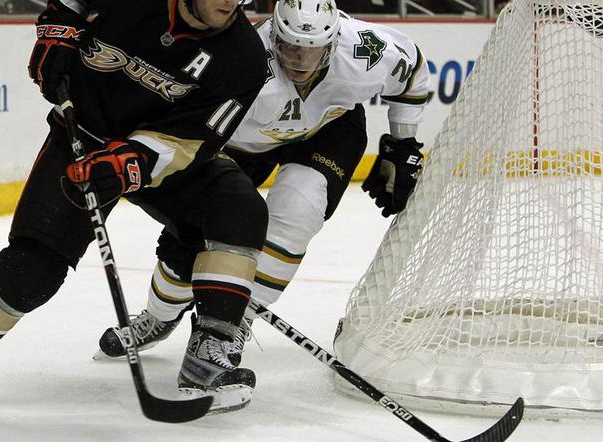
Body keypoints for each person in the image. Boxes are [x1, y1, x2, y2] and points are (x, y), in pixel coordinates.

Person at [0, 0, 269, 413]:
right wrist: (59, 26)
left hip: (158, 157)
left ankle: (209, 354)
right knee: (31, 272)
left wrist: (129, 163)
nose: (231, 2)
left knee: (239, 211)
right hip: (84, 135)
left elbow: (190, 143)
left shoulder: (244, 57)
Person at [95, 0, 430, 396]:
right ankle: (158, 316)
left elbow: (413, 74)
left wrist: (400, 144)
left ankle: (233, 325)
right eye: (289, 47)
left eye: (312, 49)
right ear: (274, 35)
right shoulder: (244, 62)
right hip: (237, 143)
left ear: (334, 39)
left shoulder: (368, 50)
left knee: (298, 211)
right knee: (189, 250)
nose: (300, 60)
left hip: (328, 128)